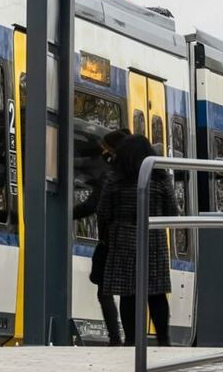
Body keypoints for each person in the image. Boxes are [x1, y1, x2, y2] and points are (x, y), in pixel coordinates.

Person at [98, 133, 176, 346]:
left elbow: (103, 211)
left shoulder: (115, 178)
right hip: (154, 238)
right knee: (156, 293)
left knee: (128, 294)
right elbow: (173, 212)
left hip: (123, 238)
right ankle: (163, 339)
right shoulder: (160, 178)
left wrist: (109, 232)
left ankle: (131, 341)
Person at [74, 128, 131, 345]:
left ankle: (116, 338)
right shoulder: (140, 171)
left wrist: (65, 213)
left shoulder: (110, 176)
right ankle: (131, 338)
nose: (103, 154)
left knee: (104, 290)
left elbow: (91, 206)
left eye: (106, 149)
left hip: (111, 242)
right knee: (128, 292)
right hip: (132, 242)